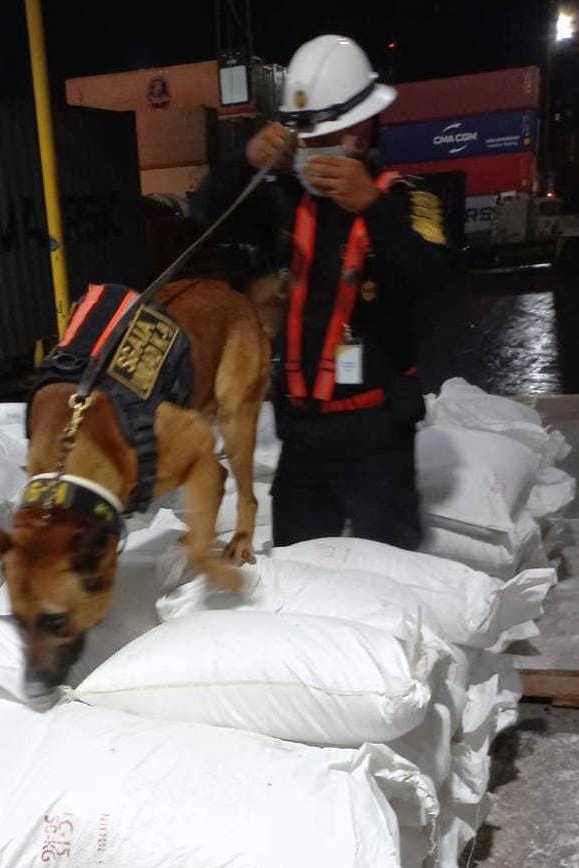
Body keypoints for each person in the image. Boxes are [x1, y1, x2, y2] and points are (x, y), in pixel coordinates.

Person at [192, 34, 451, 549]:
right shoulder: (284, 200)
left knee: (388, 570)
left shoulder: (407, 198)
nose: (313, 152)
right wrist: (244, 160)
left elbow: (434, 280)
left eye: (327, 138)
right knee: (298, 569)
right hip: (302, 437)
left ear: (362, 128)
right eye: (305, 140)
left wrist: (373, 208)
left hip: (378, 438)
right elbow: (204, 216)